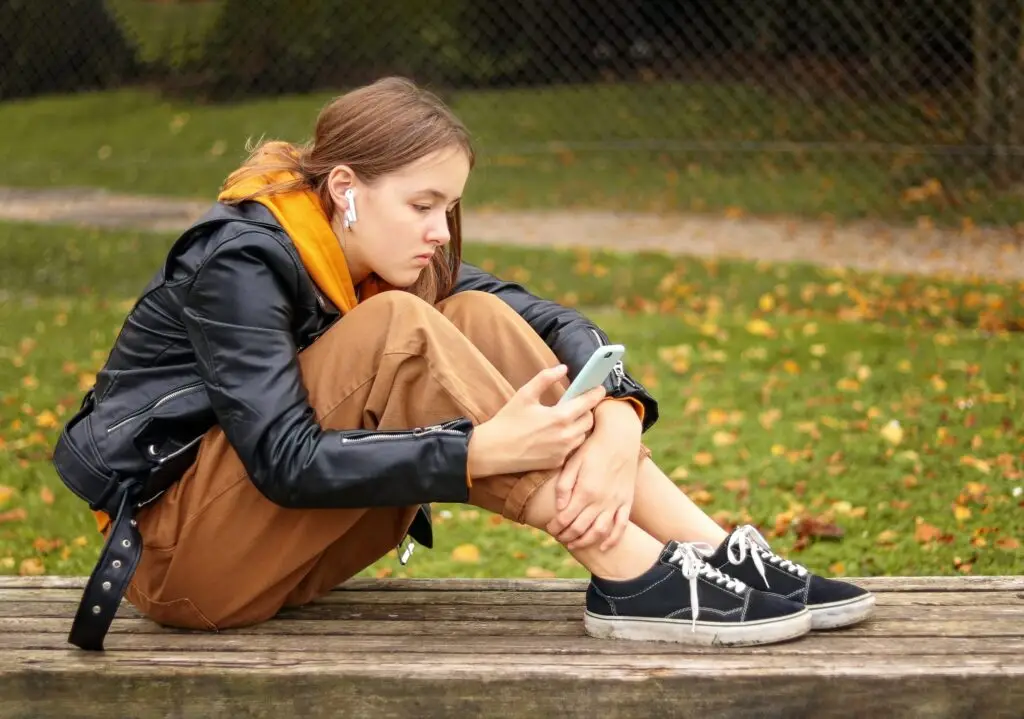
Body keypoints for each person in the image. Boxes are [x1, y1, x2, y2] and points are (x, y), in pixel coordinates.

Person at [52, 77, 874, 652]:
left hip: (284, 552)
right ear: (345, 188)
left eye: (448, 207)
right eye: (422, 205)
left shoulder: (386, 258)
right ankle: (628, 570)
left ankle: (710, 548)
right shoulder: (243, 259)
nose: (441, 230)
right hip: (186, 562)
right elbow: (282, 459)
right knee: (401, 330)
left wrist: (620, 409)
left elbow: (551, 320)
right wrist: (479, 451)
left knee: (476, 312)